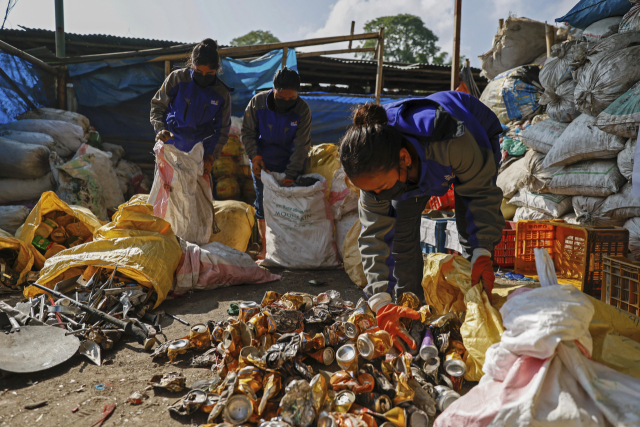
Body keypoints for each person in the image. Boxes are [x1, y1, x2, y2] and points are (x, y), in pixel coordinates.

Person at [339, 91, 505, 351]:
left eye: (381, 188)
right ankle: (410, 310)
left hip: (472, 136)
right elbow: (374, 236)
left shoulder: (451, 141)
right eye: (371, 192)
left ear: (404, 158)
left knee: (470, 230)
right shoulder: (373, 173)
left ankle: (477, 311)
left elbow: (481, 195)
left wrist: (483, 249)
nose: (377, 196)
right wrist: (381, 300)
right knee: (401, 234)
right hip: (409, 169)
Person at [242, 67, 312, 260]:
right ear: (273, 89)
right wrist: (255, 157)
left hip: (291, 164)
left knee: (290, 208)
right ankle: (266, 250)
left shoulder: (302, 110)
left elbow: (301, 145)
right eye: (281, 98)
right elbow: (248, 133)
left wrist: (291, 175)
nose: (286, 103)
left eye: (291, 99)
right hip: (262, 164)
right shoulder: (257, 103)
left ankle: (289, 250)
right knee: (263, 204)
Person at [150, 38, 233, 179]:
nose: (203, 77)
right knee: (167, 192)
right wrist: (160, 128)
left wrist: (210, 157)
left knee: (196, 197)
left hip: (199, 156)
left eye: (210, 74)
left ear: (217, 70)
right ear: (191, 64)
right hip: (171, 148)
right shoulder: (177, 79)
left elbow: (222, 129)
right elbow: (158, 106)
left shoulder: (221, 94)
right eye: (198, 72)